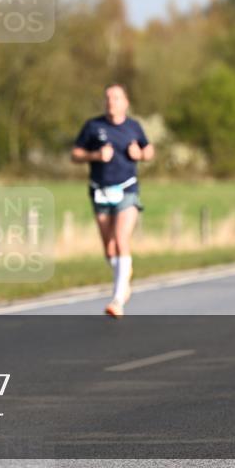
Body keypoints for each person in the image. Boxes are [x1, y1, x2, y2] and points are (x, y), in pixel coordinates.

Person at [71, 84, 154, 318]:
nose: (111, 102)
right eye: (108, 98)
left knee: (120, 238)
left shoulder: (133, 127)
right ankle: (123, 278)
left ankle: (118, 299)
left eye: (116, 98)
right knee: (109, 247)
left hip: (127, 190)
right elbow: (75, 154)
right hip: (100, 190)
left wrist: (140, 154)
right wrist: (95, 155)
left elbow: (149, 151)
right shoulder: (93, 126)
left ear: (125, 102)